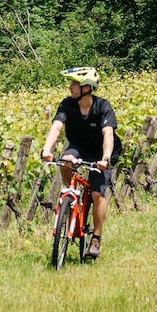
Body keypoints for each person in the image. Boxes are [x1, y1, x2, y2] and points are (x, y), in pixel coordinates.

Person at [40, 66, 117, 260]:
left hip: (101, 152)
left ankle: (96, 238)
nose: (70, 87)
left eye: (74, 84)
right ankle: (72, 196)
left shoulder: (103, 106)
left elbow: (108, 133)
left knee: (98, 193)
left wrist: (105, 159)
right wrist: (47, 150)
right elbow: (56, 127)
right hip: (79, 147)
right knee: (65, 162)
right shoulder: (67, 104)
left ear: (86, 88)